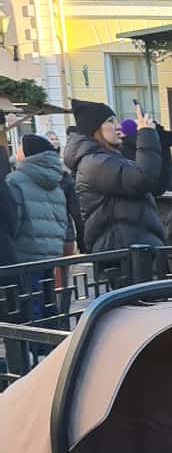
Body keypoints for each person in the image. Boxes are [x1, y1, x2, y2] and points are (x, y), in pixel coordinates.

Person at [64, 101, 166, 270]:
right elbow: (142, 180)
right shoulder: (95, 163)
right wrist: (146, 135)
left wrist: (154, 137)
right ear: (95, 128)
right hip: (121, 251)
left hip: (133, 247)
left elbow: (158, 184)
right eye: (110, 121)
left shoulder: (109, 157)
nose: (118, 126)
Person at [7, 133, 74, 319]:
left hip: (25, 254)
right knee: (48, 302)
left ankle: (38, 338)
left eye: (20, 147)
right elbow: (62, 218)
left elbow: (14, 220)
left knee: (31, 305)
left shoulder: (15, 180)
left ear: (28, 153)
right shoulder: (55, 181)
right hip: (50, 254)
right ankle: (53, 335)